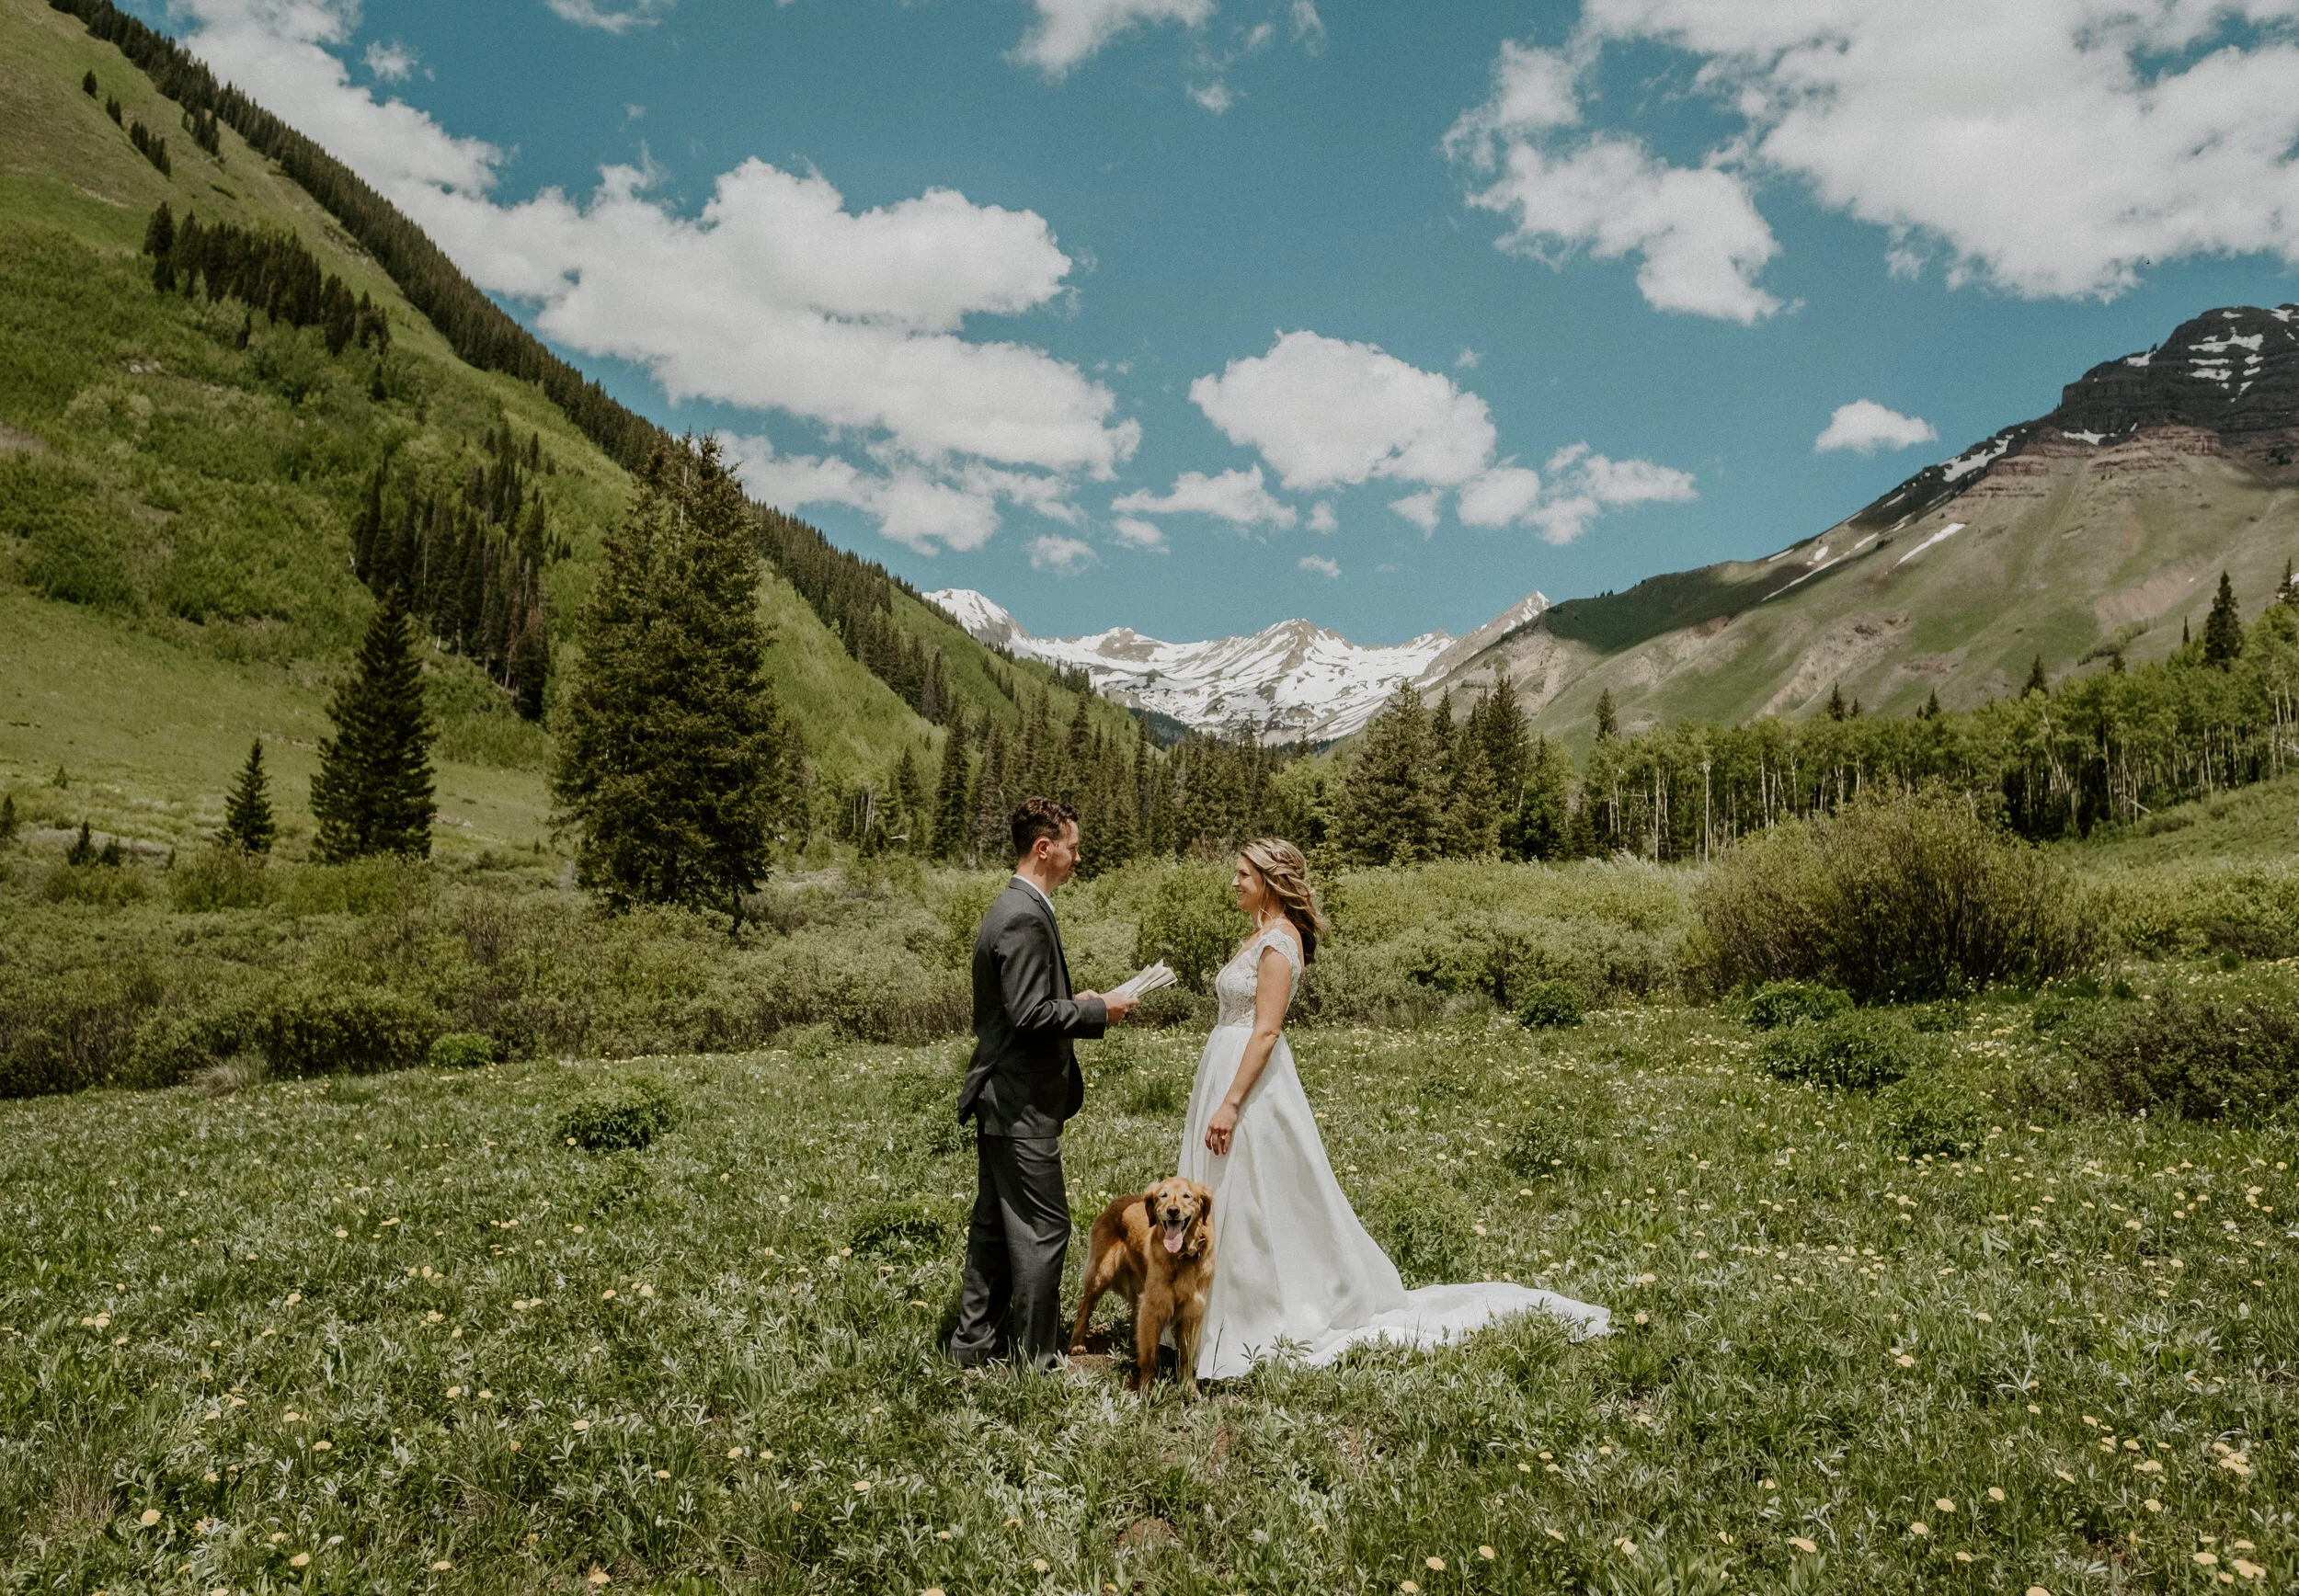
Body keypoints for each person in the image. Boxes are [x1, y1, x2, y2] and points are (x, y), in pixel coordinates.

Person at [1179, 837, 1607, 1380]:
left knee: (1255, 1200)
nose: (1235, 882)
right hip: (1222, 1068)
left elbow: (1265, 1032)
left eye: (1243, 873)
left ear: (1269, 879)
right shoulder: (1257, 934)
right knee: (1230, 1197)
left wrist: (1231, 1102)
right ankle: (1208, 1317)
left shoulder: (1279, 941)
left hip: (1249, 1085)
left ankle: (1255, 1320)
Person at [950, 797, 1137, 1370]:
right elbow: (1030, 1016)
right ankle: (1036, 1358)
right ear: (1044, 847)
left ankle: (973, 1346)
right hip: (1021, 1100)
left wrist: (1070, 1002)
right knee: (1045, 1226)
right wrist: (1097, 1011)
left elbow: (1021, 1007)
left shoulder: (1008, 906)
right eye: (1073, 847)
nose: (1077, 858)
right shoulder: (1026, 915)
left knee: (991, 1228)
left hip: (1001, 1097)